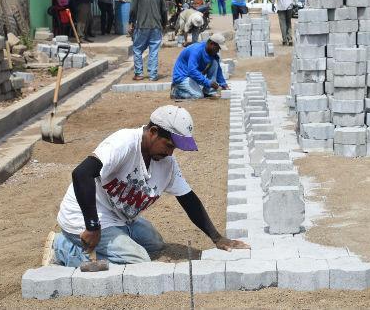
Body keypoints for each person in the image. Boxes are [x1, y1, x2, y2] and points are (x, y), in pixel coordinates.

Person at [50, 105, 249, 266]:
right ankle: (63, 247)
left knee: (155, 244)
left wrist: (217, 238)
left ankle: (114, 240)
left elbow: (188, 199)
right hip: (85, 216)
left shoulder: (166, 163)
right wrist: (92, 226)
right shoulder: (124, 143)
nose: (171, 154)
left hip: (120, 218)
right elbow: (81, 173)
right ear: (153, 132)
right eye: (169, 145)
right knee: (139, 260)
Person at [129, 0, 167, 81]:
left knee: (137, 49)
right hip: (156, 26)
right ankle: (153, 75)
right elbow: (164, 11)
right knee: (153, 51)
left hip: (141, 26)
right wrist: (164, 24)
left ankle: (139, 73)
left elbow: (132, 9)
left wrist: (130, 22)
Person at [170, 33, 230, 100]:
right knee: (198, 96)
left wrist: (223, 84)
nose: (218, 51)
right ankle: (176, 92)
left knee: (215, 63)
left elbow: (218, 70)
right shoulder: (196, 50)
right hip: (182, 77)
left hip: (192, 76)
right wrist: (208, 82)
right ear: (212, 44)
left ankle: (209, 91)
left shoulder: (212, 53)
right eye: (217, 48)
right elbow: (192, 71)